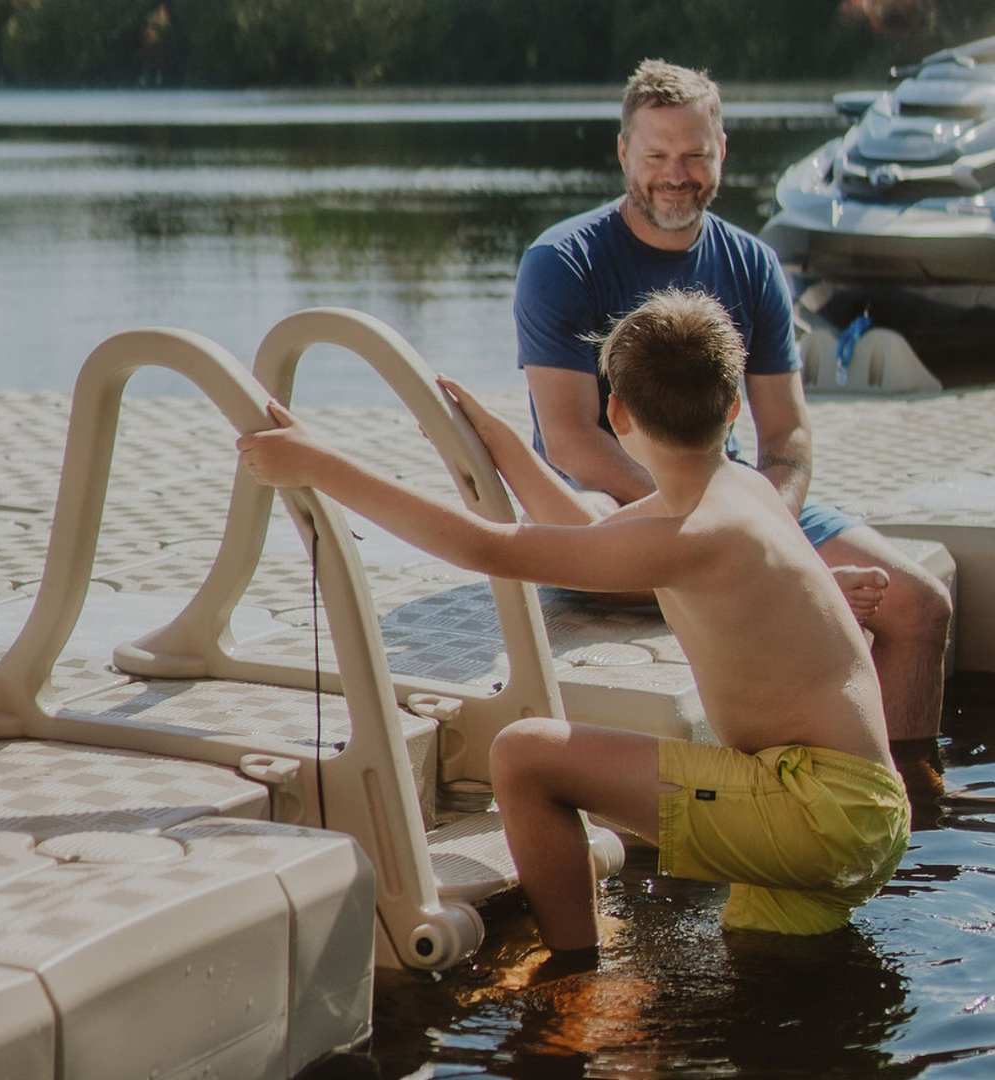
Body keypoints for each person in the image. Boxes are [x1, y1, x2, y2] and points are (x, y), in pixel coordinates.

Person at [237, 287, 911, 956]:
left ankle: (573, 978)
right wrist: (506, 448)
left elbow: (488, 548)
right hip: (859, 810)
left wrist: (319, 465)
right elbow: (587, 531)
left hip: (812, 809)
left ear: (616, 412)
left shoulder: (693, 534)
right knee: (765, 963)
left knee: (526, 755)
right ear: (733, 408)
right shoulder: (738, 493)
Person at [514, 58, 950, 793]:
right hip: (610, 501)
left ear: (723, 153)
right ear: (625, 154)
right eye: (656, 156)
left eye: (694, 154)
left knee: (919, 604)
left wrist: (765, 528)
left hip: (743, 496)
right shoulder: (562, 262)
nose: (675, 174)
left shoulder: (752, 263)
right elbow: (571, 440)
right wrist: (741, 545)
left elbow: (789, 436)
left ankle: (908, 796)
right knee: (599, 533)